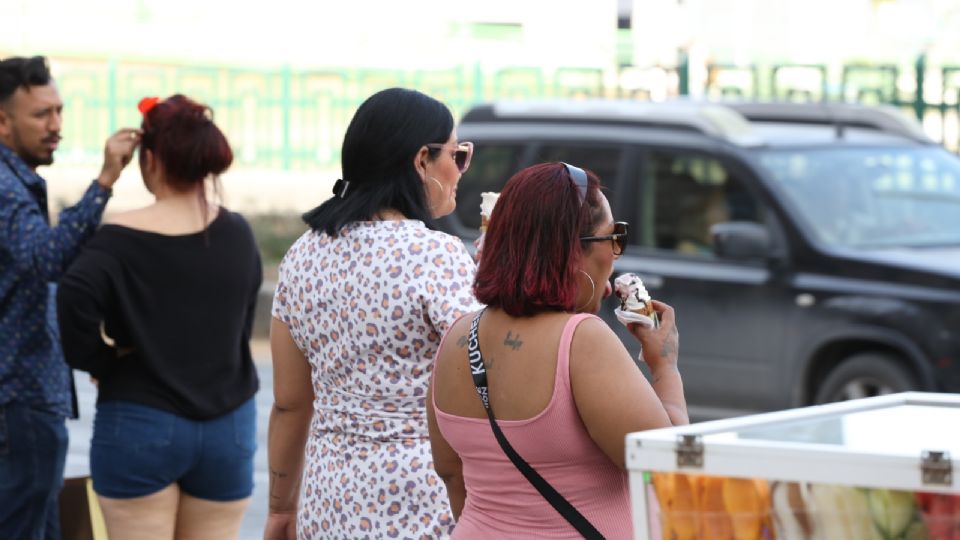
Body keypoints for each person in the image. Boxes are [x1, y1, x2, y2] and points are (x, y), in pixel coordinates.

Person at [427, 162, 688, 538]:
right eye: (613, 238)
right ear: (571, 251)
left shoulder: (456, 336)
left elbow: (451, 473)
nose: (616, 255)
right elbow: (670, 470)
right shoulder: (582, 340)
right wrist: (664, 367)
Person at [265, 87, 481, 539]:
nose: (461, 170)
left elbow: (289, 403)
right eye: (458, 156)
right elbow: (489, 374)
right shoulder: (434, 255)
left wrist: (281, 509)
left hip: (326, 497)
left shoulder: (303, 254)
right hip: (417, 495)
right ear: (422, 160)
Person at [56, 94, 262, 540]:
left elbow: (72, 297)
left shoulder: (117, 242)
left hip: (138, 419)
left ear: (149, 159)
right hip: (229, 425)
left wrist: (104, 363)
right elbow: (240, 322)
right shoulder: (237, 234)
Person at [0, 55, 139, 539]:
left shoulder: (16, 180)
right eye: (41, 114)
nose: (56, 125)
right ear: (3, 120)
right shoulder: (3, 186)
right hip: (20, 396)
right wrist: (103, 183)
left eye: (58, 111)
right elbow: (46, 259)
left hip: (28, 395)